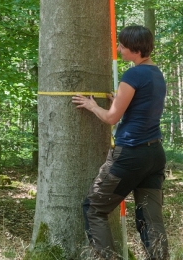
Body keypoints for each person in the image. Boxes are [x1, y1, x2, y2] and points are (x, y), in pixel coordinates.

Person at [72, 25, 169, 259]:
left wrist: (93, 106)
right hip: (154, 155)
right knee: (150, 219)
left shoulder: (133, 74)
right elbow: (142, 108)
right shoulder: (156, 73)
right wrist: (121, 102)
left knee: (94, 208)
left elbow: (111, 117)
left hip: (130, 155)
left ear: (135, 49)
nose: (118, 49)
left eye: (122, 46)